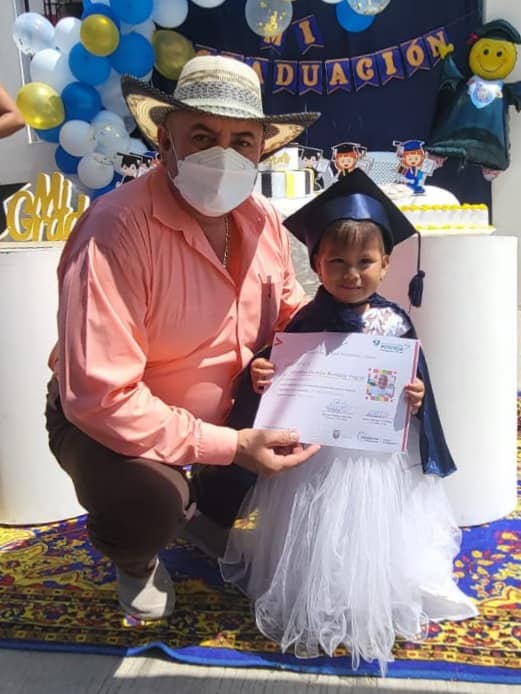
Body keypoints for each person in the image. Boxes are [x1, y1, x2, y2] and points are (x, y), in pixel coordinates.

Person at [44, 55, 321, 622]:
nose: (224, 155)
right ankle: (138, 555)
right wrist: (231, 448)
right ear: (165, 141)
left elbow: (291, 315)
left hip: (230, 409)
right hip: (111, 427)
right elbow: (101, 397)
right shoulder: (116, 229)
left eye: (241, 141)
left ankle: (204, 514)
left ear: (261, 151)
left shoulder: (263, 219)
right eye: (202, 136)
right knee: (148, 503)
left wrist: (358, 338)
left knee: (329, 421)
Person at [220, 170, 478, 674]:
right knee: (314, 529)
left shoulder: (396, 324)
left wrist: (415, 397)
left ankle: (365, 597)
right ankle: (314, 595)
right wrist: (264, 373)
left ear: (386, 264)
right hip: (316, 456)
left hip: (370, 459)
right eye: (336, 261)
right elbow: (279, 382)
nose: (351, 274)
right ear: (316, 262)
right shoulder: (303, 323)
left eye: (365, 262)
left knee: (367, 529)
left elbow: (415, 392)